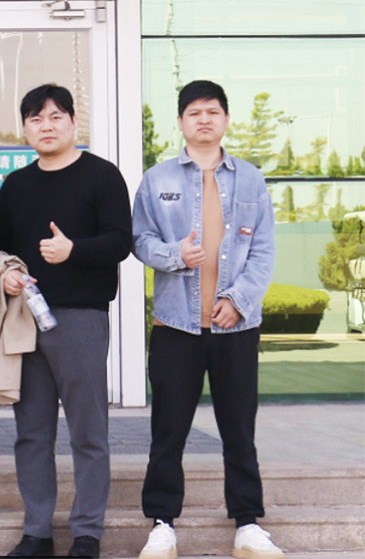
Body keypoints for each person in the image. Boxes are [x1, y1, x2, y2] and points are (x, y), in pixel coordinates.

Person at [133, 80, 282, 559]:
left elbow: (263, 250)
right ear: (180, 121)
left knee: (238, 429)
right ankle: (162, 523)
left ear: (226, 120)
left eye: (212, 111)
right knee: (168, 430)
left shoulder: (251, 179)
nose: (203, 119)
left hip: (236, 327)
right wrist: (174, 255)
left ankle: (247, 523)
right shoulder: (157, 179)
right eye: (194, 112)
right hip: (176, 325)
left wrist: (239, 299)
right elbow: (140, 240)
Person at [0, 84, 132, 559]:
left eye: (55, 117)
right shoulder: (16, 185)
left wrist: (74, 249)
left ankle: (87, 532)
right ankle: (37, 532)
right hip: (24, 320)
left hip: (80, 320)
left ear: (73, 122)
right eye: (35, 119)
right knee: (31, 432)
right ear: (25, 128)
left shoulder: (102, 176)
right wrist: (7, 275)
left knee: (87, 432)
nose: (46, 126)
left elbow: (121, 242)